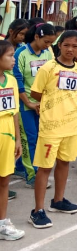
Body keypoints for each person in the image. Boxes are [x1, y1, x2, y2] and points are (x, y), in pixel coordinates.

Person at [29, 30, 77, 229]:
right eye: (66, 45)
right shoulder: (48, 68)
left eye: (75, 46)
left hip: (70, 125)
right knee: (45, 167)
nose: (70, 49)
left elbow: (75, 93)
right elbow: (36, 92)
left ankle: (58, 201)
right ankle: (37, 210)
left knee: (64, 163)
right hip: (51, 127)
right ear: (59, 46)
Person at [13, 23, 57, 188]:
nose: (48, 45)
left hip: (42, 103)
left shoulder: (47, 53)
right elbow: (18, 80)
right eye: (46, 41)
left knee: (40, 138)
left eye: (51, 43)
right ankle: (33, 176)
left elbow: (51, 77)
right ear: (37, 36)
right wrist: (28, 102)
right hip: (25, 104)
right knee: (29, 139)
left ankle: (21, 167)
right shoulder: (21, 53)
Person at [0, 41, 24, 240]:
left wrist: (17, 139)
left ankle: (2, 223)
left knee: (4, 181)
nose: (14, 59)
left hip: (7, 135)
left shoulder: (11, 80)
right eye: (10, 55)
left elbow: (15, 112)